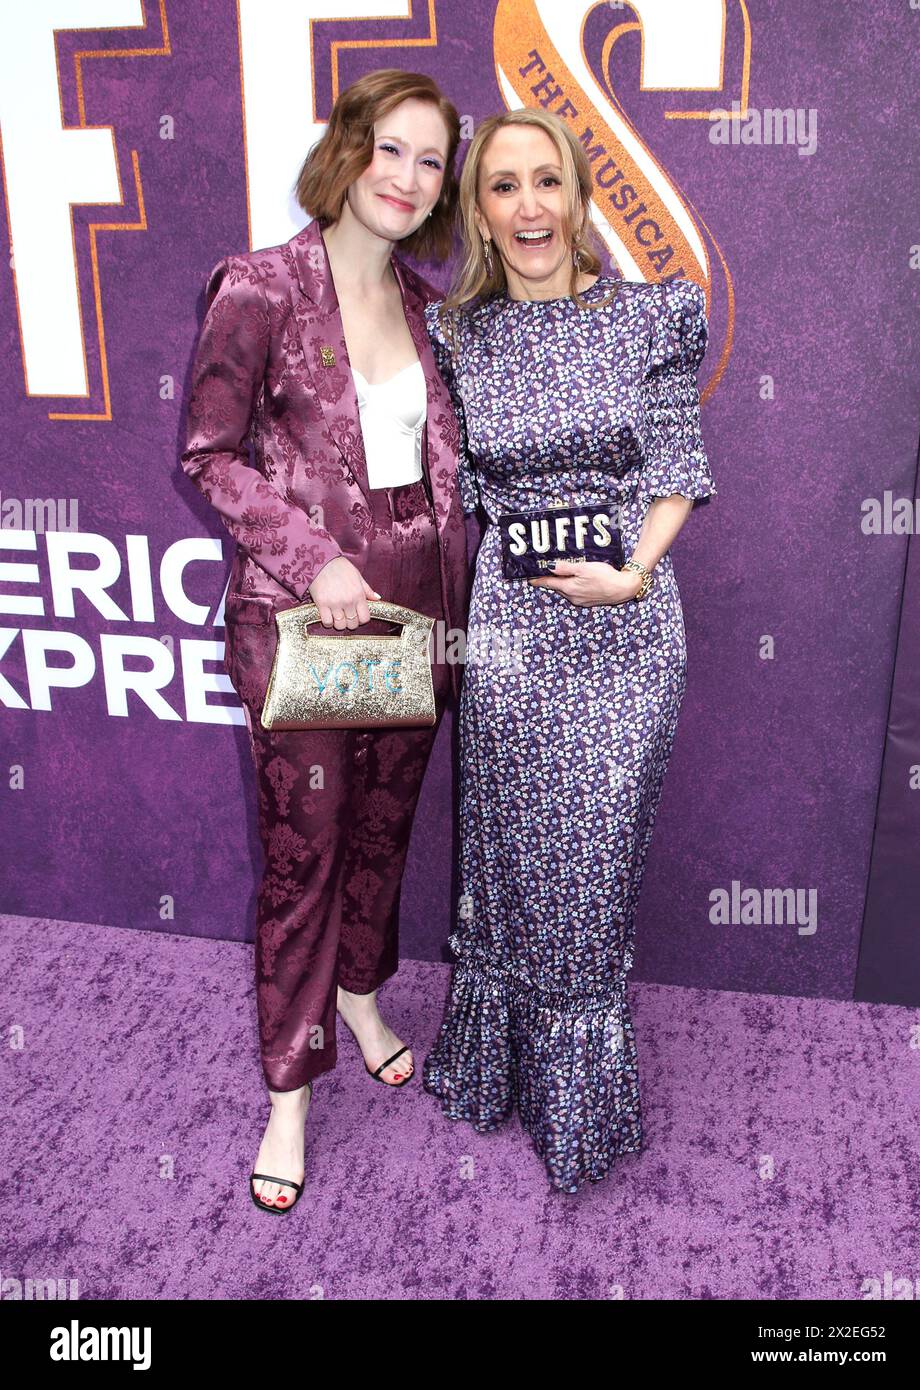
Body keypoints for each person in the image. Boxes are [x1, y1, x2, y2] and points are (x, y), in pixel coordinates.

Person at [180, 69, 469, 1213]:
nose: (407, 177)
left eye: (430, 161)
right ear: (348, 151)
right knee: (305, 856)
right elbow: (210, 454)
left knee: (386, 827)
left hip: (419, 619)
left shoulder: (430, 307)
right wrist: (317, 557)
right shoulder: (259, 286)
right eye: (390, 149)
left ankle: (360, 992)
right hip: (308, 620)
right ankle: (291, 1094)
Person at [421, 108, 718, 1194]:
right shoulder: (460, 336)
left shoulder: (649, 318)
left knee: (590, 866)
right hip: (511, 630)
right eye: (504, 187)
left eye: (549, 181)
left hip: (626, 624)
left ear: (582, 195)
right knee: (504, 859)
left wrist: (632, 572)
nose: (531, 206)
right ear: (481, 213)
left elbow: (680, 465)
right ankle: (496, 1068)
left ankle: (579, 1103)